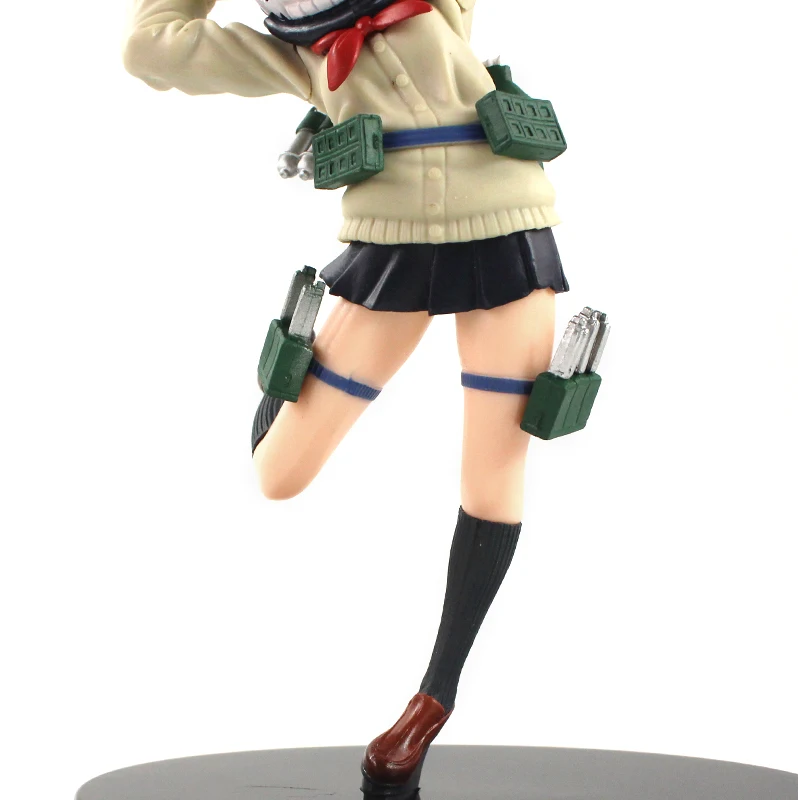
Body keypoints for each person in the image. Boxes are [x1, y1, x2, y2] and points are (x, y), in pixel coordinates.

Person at [124, 0, 569, 796]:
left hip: (508, 230)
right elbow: (152, 48)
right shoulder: (300, 55)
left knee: (494, 475)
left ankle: (432, 699)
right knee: (278, 471)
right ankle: (293, 342)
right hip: (391, 248)